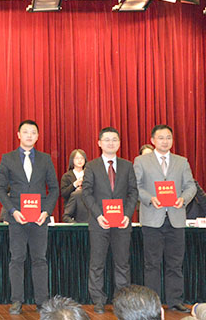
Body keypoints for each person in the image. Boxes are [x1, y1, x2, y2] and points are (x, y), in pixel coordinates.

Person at [0, 120, 59, 314]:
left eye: (33, 132)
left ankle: (42, 301)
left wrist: (46, 211)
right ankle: (17, 301)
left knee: (40, 259)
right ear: (18, 135)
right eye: (26, 132)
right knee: (17, 259)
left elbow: (54, 188)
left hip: (39, 218)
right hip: (17, 218)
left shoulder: (45, 159)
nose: (29, 135)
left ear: (37, 136)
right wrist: (13, 211)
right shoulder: (8, 158)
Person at [134, 124, 196, 313]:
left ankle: (175, 300)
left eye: (168, 137)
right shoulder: (141, 161)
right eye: (161, 138)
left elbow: (191, 186)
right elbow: (136, 186)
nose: (165, 141)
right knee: (152, 263)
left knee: (175, 263)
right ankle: (152, 303)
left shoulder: (181, 161)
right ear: (153, 140)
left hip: (176, 219)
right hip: (152, 219)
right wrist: (149, 198)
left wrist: (183, 199)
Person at [81, 126, 138, 314]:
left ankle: (121, 300)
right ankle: (98, 300)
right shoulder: (92, 166)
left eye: (114, 139)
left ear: (119, 143)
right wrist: (99, 215)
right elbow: (86, 193)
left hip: (122, 223)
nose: (111, 143)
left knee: (122, 264)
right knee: (97, 264)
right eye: (107, 140)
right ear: (99, 143)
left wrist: (127, 215)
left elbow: (133, 193)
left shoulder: (127, 166)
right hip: (99, 223)